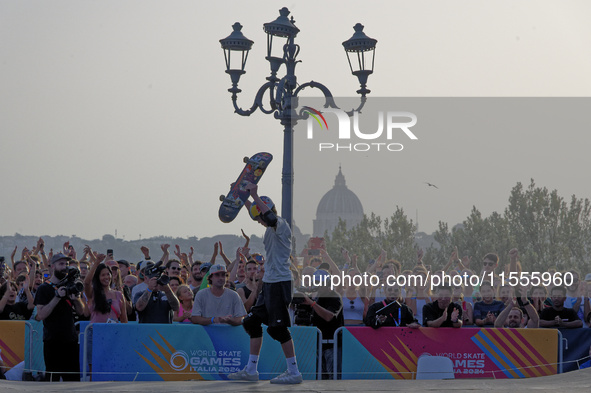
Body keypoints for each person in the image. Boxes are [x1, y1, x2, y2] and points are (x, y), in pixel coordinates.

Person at [228, 183, 302, 384]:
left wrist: (255, 194)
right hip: (269, 283)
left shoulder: (280, 225)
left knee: (277, 329)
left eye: (259, 217)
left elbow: (267, 216)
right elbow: (258, 214)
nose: (258, 222)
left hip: (280, 283)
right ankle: (251, 370)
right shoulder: (269, 228)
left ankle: (294, 372)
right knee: (251, 322)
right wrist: (244, 198)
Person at [34, 253, 86, 381]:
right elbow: (40, 315)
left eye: (66, 264)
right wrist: (57, 296)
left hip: (71, 340)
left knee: (72, 382)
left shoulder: (71, 285)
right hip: (52, 342)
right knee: (53, 381)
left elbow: (81, 312)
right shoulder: (44, 288)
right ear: (52, 267)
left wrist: (77, 300)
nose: (65, 267)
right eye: (61, 264)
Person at [299, 269, 344, 379]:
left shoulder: (335, 297)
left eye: (321, 283)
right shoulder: (317, 297)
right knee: (320, 379)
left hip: (332, 346)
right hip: (318, 346)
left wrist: (312, 303)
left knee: (333, 379)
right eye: (316, 283)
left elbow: (329, 317)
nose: (318, 286)